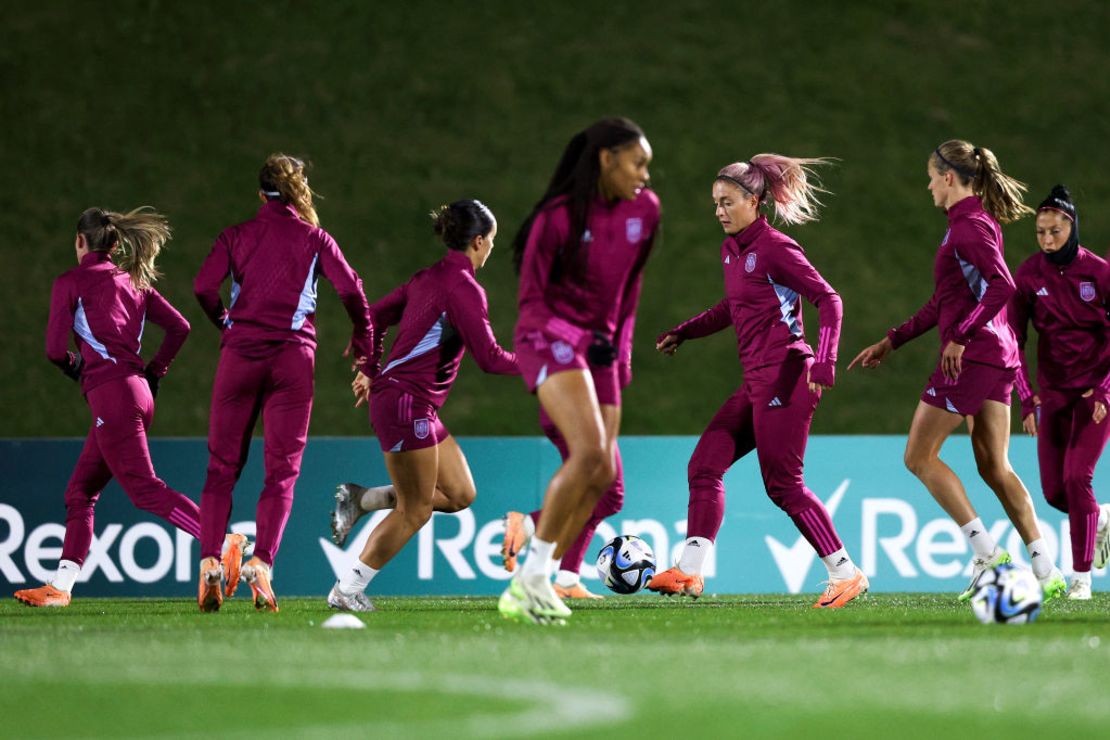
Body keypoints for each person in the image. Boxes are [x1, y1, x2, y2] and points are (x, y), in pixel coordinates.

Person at [849, 140, 1067, 602]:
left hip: (976, 356)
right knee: (993, 465)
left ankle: (987, 554)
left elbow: (1002, 286)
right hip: (996, 355)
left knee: (918, 457)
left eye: (931, 176)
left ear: (949, 177)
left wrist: (962, 336)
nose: (928, 185)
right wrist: (893, 340)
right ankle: (1046, 569)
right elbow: (943, 303)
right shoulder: (967, 226)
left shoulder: (967, 228)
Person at [649, 155, 867, 608]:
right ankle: (689, 571)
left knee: (784, 485)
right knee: (704, 465)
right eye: (715, 203)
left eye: (727, 202)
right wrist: (686, 331)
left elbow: (829, 299)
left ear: (754, 200)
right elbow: (734, 306)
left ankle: (845, 574)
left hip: (789, 377)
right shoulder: (733, 250)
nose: (719, 211)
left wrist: (824, 361)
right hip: (755, 383)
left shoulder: (775, 248)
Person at [15, 207, 242, 608]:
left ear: (79, 241)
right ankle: (61, 587)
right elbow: (180, 328)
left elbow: (54, 351)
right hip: (137, 392)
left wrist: (80, 370)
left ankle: (222, 541)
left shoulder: (71, 282)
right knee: (80, 492)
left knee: (143, 490)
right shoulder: (134, 282)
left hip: (113, 396)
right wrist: (155, 372)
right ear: (116, 244)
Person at [497, 117, 659, 625]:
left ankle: (534, 579)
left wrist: (621, 350)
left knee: (605, 474)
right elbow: (532, 305)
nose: (646, 176)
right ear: (606, 160)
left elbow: (630, 292)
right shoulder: (558, 219)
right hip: (547, 339)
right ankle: (532, 583)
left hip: (602, 347)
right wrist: (583, 339)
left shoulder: (645, 213)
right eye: (638, 163)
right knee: (589, 452)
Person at [194, 154, 373, 612]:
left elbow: (202, 287)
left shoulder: (236, 235)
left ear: (261, 194)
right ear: (299, 191)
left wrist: (227, 323)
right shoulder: (315, 238)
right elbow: (353, 290)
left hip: (240, 356)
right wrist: (363, 342)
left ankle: (211, 561)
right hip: (292, 362)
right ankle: (261, 563)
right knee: (282, 471)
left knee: (221, 468)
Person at [326, 200, 518, 612]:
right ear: (479, 241)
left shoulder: (428, 277)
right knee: (417, 511)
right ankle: (346, 590)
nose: (491, 250)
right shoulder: (464, 288)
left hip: (414, 405)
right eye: (492, 242)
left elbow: (371, 316)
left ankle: (362, 500)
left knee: (460, 493)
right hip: (405, 405)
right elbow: (491, 358)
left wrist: (369, 366)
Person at [1009, 185, 1110, 600]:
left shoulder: (1100, 273)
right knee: (1054, 492)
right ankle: (1099, 519)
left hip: (1094, 396)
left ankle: (1082, 579)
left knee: (1076, 478)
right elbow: (1013, 339)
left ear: (1072, 227)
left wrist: (1104, 390)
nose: (1048, 241)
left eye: (1055, 232)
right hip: (1051, 396)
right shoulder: (1029, 274)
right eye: (1040, 233)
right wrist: (1026, 397)